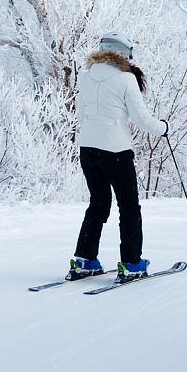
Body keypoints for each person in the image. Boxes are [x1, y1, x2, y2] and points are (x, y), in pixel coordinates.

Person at [69, 33, 163, 283]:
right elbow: (141, 119)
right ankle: (132, 263)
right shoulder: (126, 79)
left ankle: (84, 259)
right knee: (129, 207)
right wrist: (162, 128)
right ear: (124, 54)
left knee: (98, 203)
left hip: (88, 149)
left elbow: (80, 112)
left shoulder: (86, 77)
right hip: (116, 151)